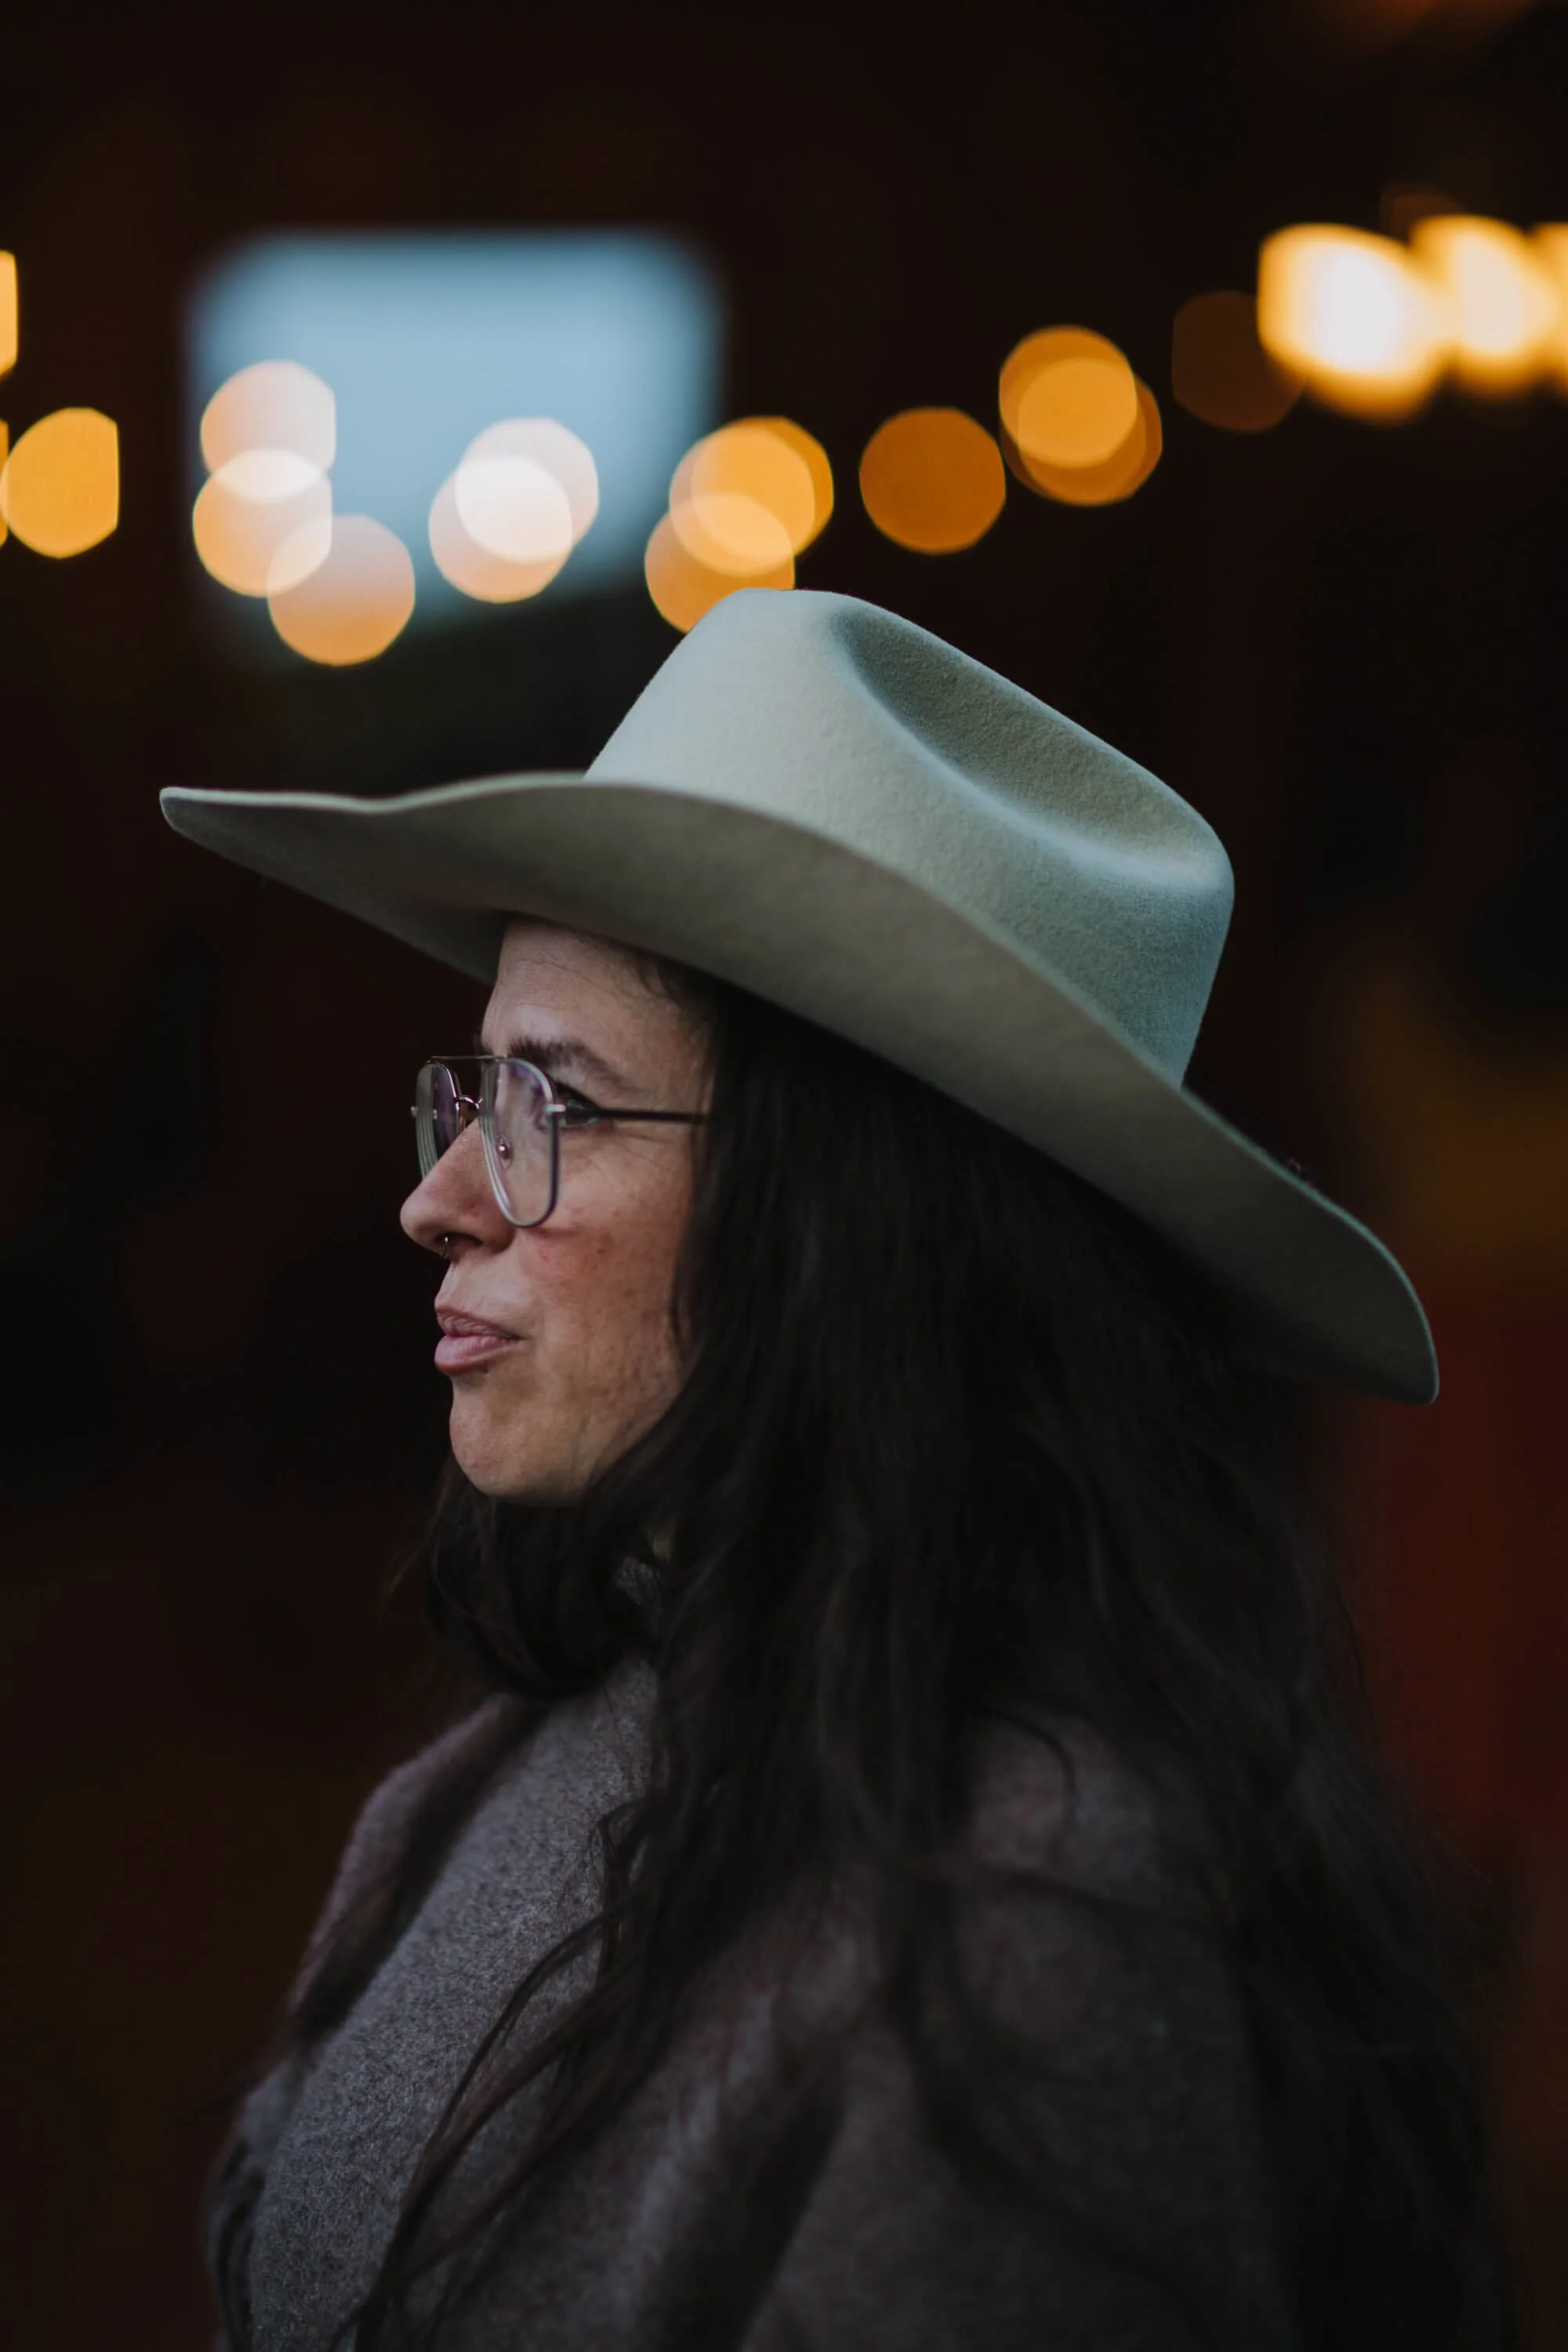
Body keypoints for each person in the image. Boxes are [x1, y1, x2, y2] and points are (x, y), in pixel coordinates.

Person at [163, 590, 1517, 2352]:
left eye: (549, 1110)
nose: (440, 1199)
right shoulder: (531, 1749)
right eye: (469, 1096)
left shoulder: (1034, 1942)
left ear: (845, 1224)